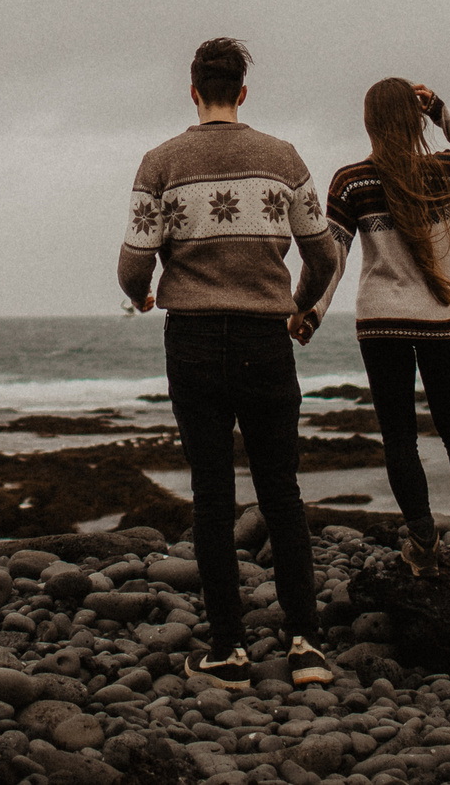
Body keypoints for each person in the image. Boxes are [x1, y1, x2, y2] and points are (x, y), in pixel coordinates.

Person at [120, 36, 344, 691]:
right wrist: (299, 305)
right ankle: (305, 646)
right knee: (282, 493)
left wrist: (142, 295)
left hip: (193, 337)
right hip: (265, 337)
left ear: (193, 90)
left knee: (213, 500)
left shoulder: (161, 162)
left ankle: (228, 649)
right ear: (242, 91)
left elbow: (134, 263)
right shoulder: (282, 157)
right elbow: (325, 255)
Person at [324, 78, 450, 575]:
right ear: (414, 120)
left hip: (381, 325)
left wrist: (310, 310)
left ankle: (423, 545)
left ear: (369, 122)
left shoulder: (350, 180)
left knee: (399, 438)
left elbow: (332, 255)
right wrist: (440, 108)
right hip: (441, 320)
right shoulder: (442, 170)